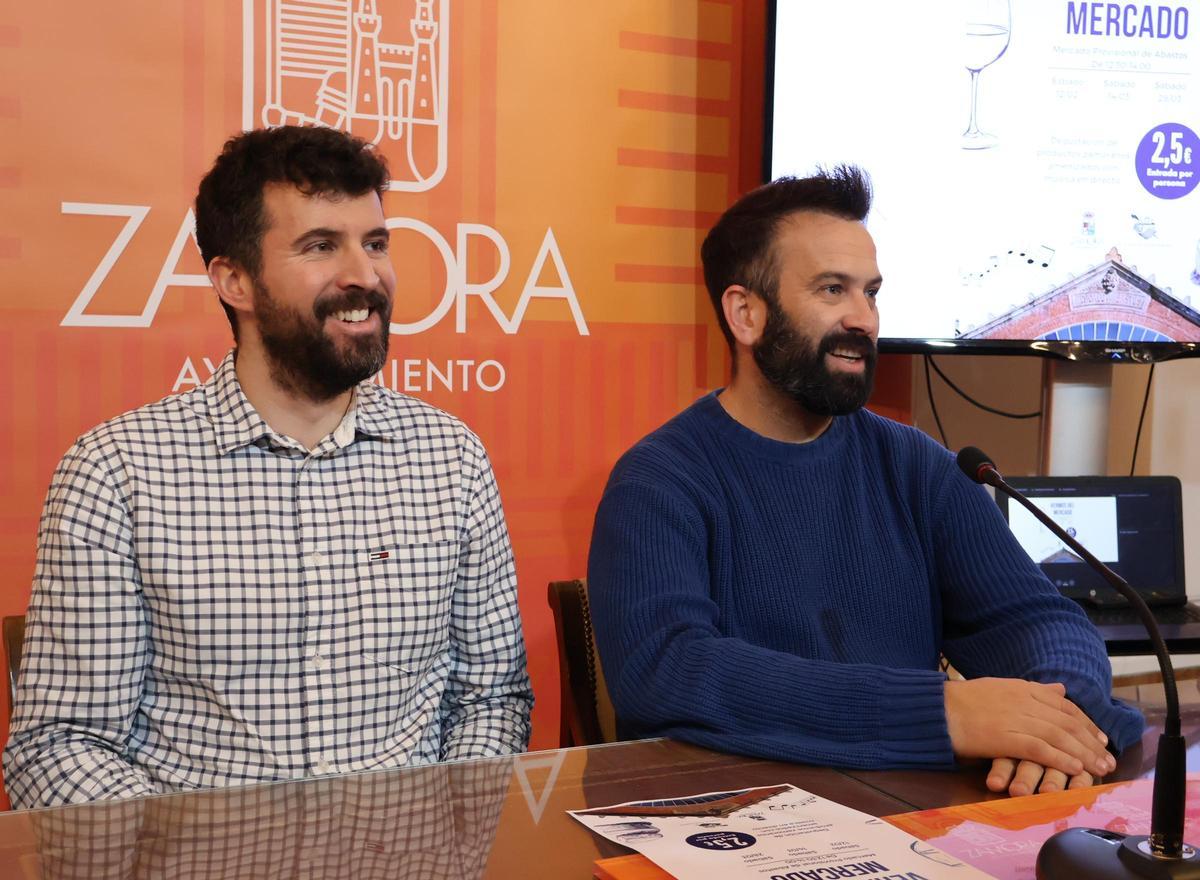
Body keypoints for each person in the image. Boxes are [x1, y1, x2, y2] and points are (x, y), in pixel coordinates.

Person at [4, 125, 533, 809]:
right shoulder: (116, 474)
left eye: (375, 243)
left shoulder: (450, 457)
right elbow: (61, 745)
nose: (365, 275)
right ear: (235, 280)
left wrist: (438, 834)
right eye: (321, 246)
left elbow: (491, 700)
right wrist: (192, 853)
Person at [587, 167, 1144, 798]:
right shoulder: (659, 480)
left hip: (912, 817)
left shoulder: (919, 466)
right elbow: (666, 670)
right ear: (745, 314)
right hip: (733, 822)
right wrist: (940, 712)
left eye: (871, 293)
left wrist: (1057, 721)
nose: (865, 319)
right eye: (833, 290)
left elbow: (1038, 620)